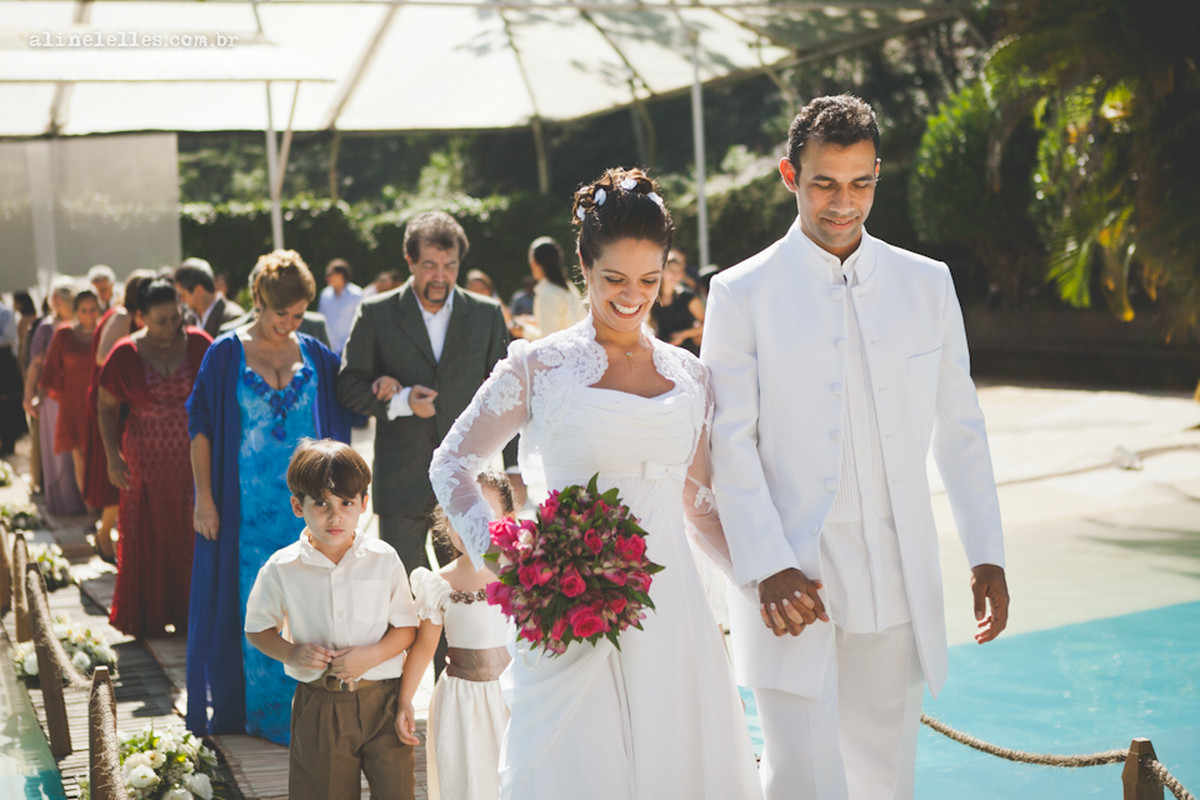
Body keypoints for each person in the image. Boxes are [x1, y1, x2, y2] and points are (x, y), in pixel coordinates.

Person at [701, 94, 1010, 800]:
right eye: (824, 183)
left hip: (896, 580)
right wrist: (768, 565)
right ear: (789, 175)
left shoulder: (927, 284)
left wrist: (985, 551)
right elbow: (730, 442)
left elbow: (961, 425)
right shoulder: (741, 293)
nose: (844, 202)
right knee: (801, 779)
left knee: (886, 781)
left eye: (861, 182)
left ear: (878, 175)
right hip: (791, 585)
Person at [429, 168, 761, 800]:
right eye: (614, 279)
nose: (632, 296)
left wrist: (762, 579)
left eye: (648, 279)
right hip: (569, 614)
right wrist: (512, 562)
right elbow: (451, 465)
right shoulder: (538, 364)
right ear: (583, 263)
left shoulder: (691, 375)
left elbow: (700, 504)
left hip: (673, 614)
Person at [186, 250, 355, 745]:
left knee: (312, 604)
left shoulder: (317, 355)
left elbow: (350, 403)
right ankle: (258, 714)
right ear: (258, 299)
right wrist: (204, 498)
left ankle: (312, 712)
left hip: (309, 514)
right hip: (243, 516)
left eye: (299, 314)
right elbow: (200, 428)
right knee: (253, 609)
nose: (289, 324)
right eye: (281, 313)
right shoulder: (224, 354)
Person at [337, 210, 509, 576]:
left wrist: (514, 472)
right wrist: (401, 403)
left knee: (470, 595)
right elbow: (348, 385)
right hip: (402, 484)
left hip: (468, 483)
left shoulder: (487, 315)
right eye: (430, 265)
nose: (441, 276)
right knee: (404, 597)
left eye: (450, 265)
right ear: (409, 261)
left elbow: (506, 396)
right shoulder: (375, 313)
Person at [245, 439, 419, 800]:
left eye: (346, 503)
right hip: (320, 706)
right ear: (298, 506)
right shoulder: (283, 567)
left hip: (384, 702)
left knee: (397, 792)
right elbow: (257, 628)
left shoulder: (383, 558)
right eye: (321, 503)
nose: (335, 515)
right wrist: (290, 654)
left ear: (363, 504)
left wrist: (371, 656)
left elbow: (406, 627)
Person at [97, 279, 210, 636]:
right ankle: (150, 616)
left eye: (175, 318)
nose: (170, 327)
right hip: (144, 458)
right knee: (148, 533)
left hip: (194, 458)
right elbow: (105, 407)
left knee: (192, 534)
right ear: (140, 317)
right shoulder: (125, 353)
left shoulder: (199, 344)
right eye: (160, 320)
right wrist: (112, 456)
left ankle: (195, 614)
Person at [402, 470, 515, 800]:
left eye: (482, 513)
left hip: (513, 696)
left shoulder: (524, 573)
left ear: (508, 518)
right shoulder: (438, 584)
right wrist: (405, 700)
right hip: (461, 702)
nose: (468, 524)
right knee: (469, 782)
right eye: (457, 514)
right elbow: (424, 646)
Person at [84, 269, 158, 563]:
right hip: (110, 400)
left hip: (124, 399)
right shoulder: (120, 317)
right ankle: (104, 535)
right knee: (115, 470)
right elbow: (104, 356)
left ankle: (111, 535)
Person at [39, 288, 102, 509]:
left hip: (100, 404)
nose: (89, 315)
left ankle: (106, 513)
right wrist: (40, 396)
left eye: (93, 310)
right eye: (84, 310)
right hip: (73, 405)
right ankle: (90, 511)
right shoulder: (64, 334)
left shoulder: (106, 333)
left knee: (103, 459)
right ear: (76, 312)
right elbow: (50, 368)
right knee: (80, 459)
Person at [512, 236, 584, 340]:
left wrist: (523, 331)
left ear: (534, 263)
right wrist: (531, 321)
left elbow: (548, 340)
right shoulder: (569, 287)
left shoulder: (548, 293)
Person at [650, 248, 705, 355]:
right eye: (672, 271)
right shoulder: (653, 297)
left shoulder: (687, 297)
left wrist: (683, 335)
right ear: (662, 272)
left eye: (678, 272)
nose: (676, 276)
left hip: (686, 352)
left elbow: (706, 324)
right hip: (662, 352)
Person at [175, 261, 245, 339]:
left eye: (183, 295)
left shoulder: (232, 318)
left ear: (199, 290)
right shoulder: (189, 319)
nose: (181, 300)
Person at [318, 258, 364, 356]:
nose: (327, 278)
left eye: (330, 274)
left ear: (341, 275)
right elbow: (321, 319)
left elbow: (361, 323)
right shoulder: (325, 295)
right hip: (328, 349)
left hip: (350, 349)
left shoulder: (356, 295)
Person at [0, 296, 24, 456]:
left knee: (6, 403)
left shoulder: (7, 312)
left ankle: (8, 444)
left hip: (4, 361)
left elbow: (10, 338)